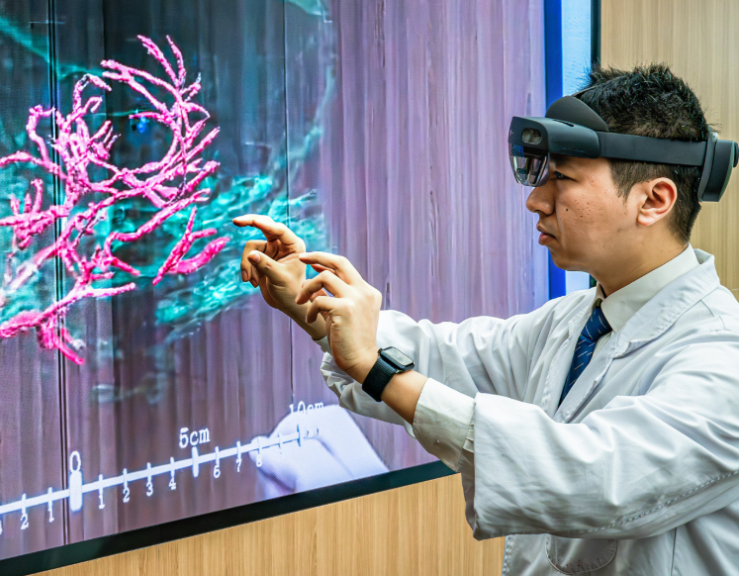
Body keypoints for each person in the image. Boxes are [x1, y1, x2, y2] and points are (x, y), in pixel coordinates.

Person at [233, 64, 739, 575]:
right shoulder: (573, 322)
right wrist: (313, 301)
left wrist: (378, 370)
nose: (536, 200)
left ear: (653, 200)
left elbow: (595, 479)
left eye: (562, 178)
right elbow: (445, 360)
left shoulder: (722, 359)